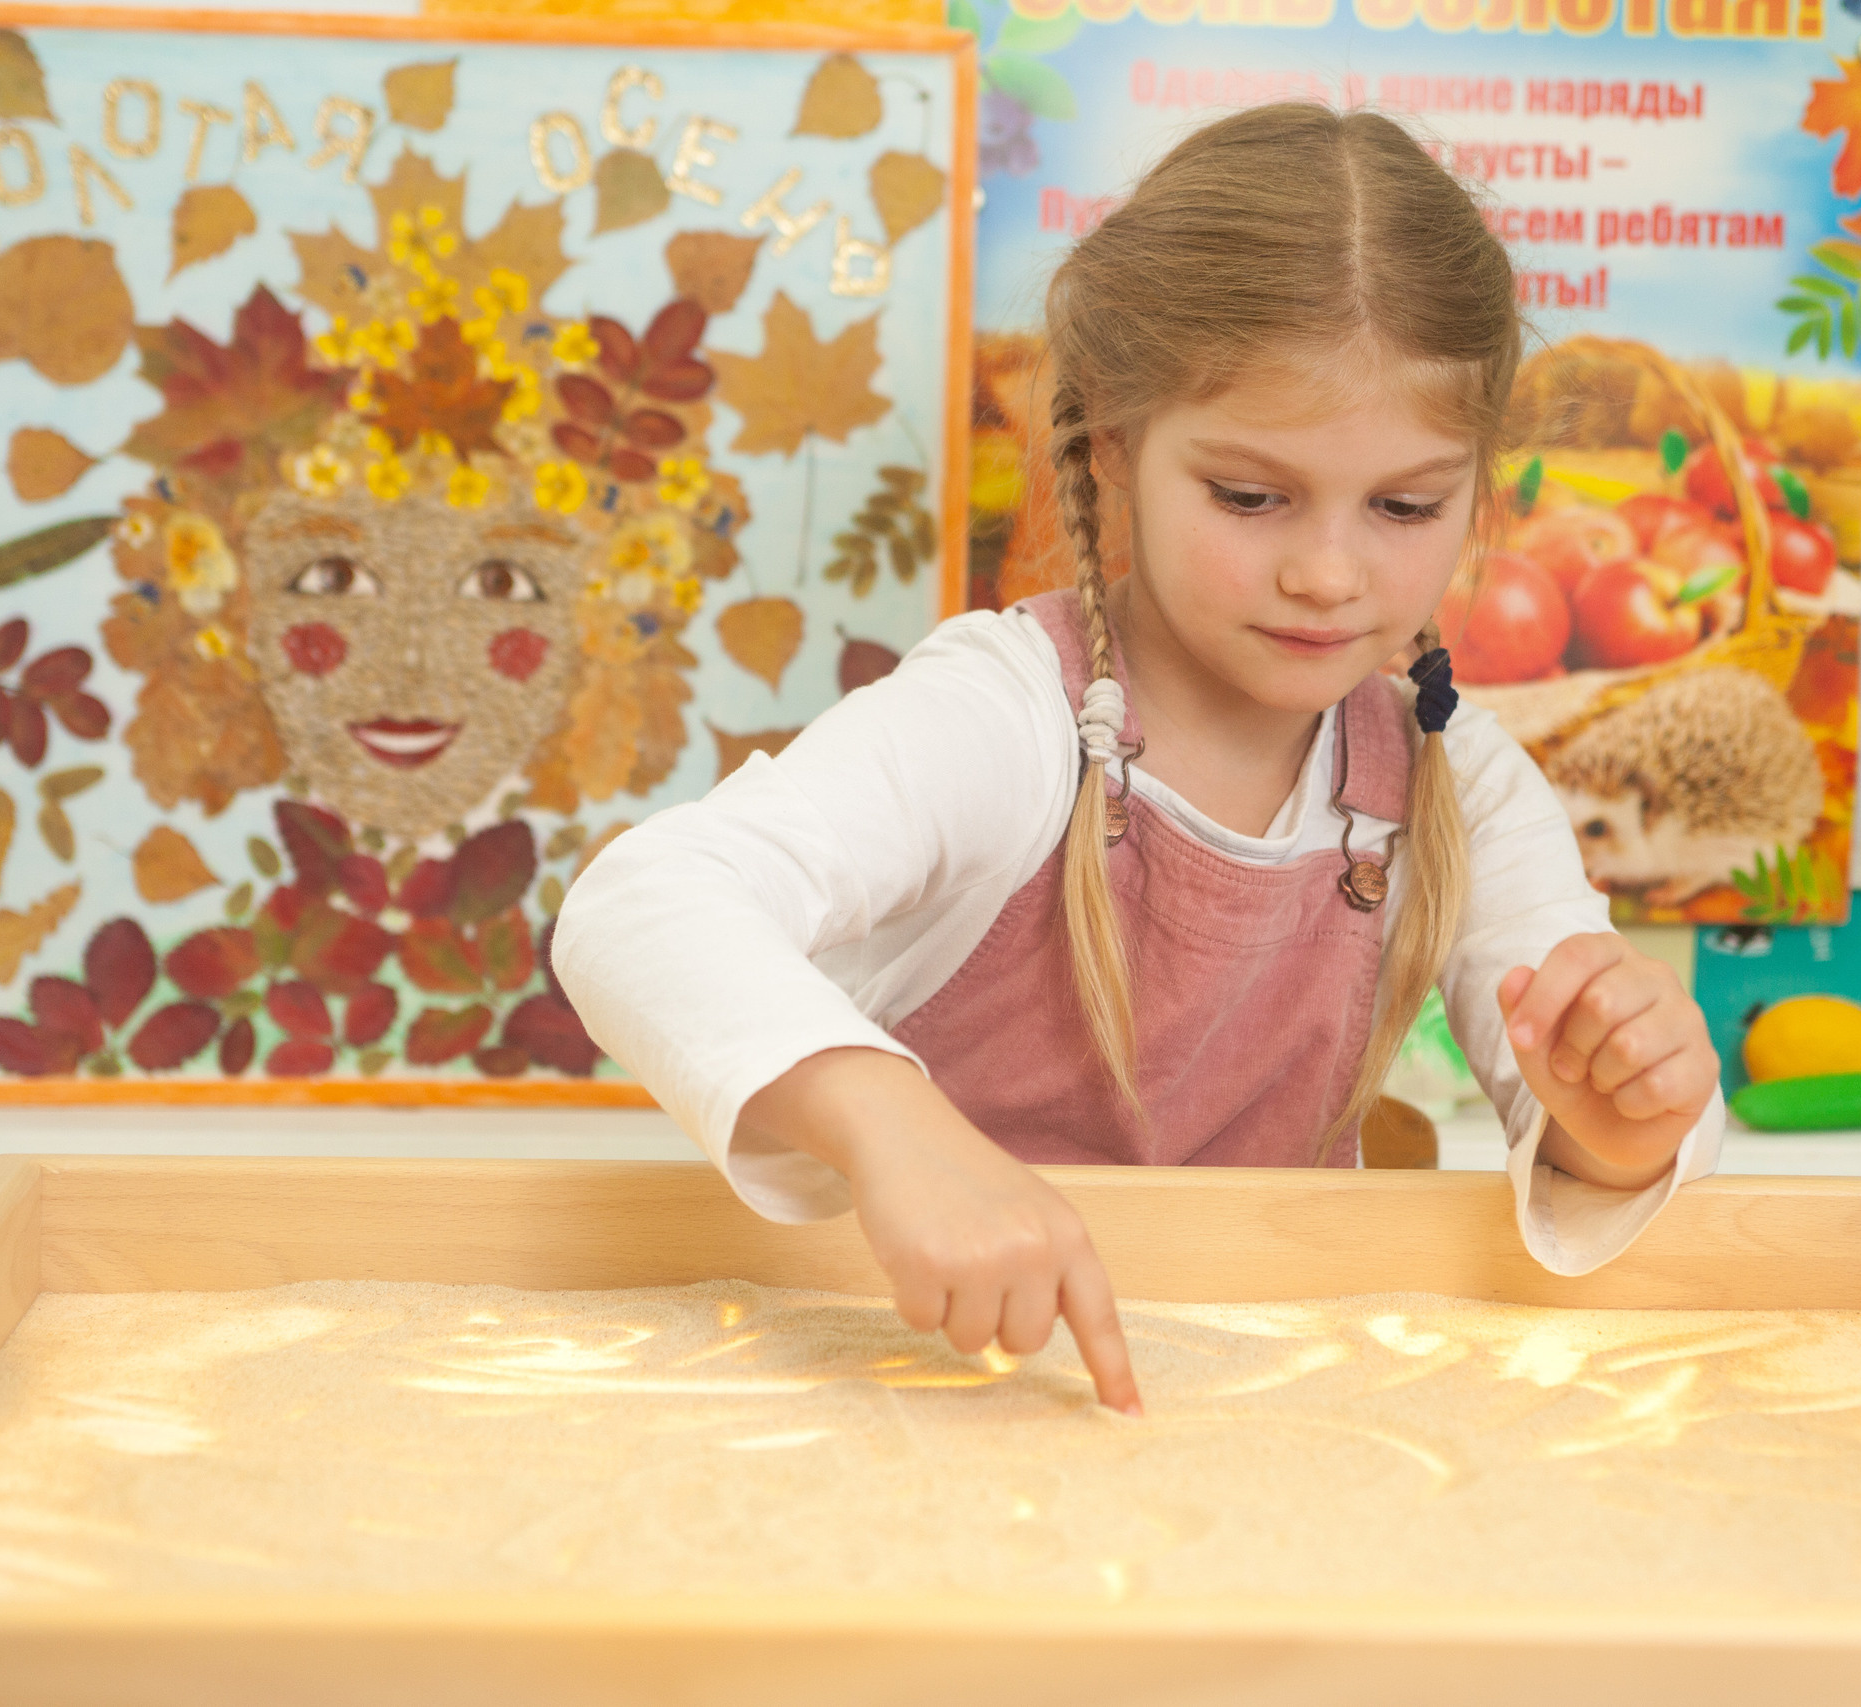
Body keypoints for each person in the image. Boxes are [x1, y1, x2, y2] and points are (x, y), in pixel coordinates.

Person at [554, 104, 1725, 1416]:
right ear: (1116, 450)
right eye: (1249, 495)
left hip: (1258, 1401)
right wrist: (901, 1141)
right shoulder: (1008, 717)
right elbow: (641, 906)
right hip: (912, 1387)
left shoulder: (1459, 780)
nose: (1328, 571)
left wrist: (1614, 1131)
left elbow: (1580, 1165)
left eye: (1405, 506)